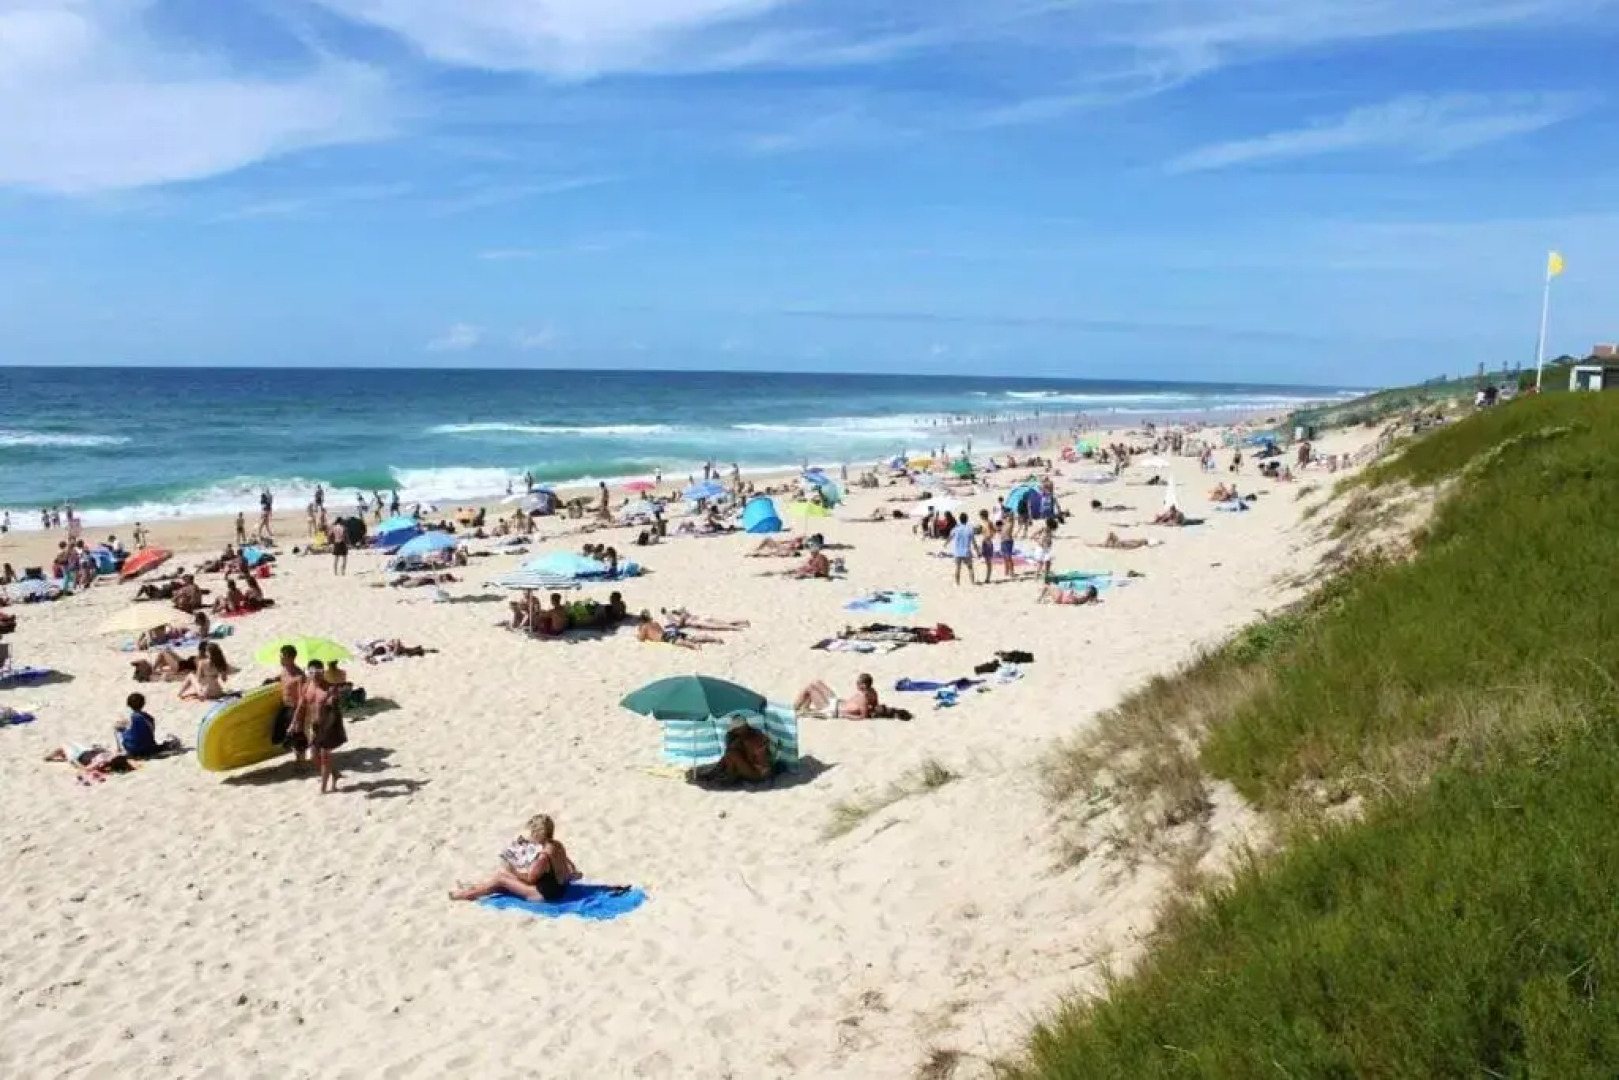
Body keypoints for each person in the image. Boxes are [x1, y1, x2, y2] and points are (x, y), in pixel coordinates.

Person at [450, 813, 581, 904]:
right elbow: (570, 865)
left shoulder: (543, 858)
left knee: (501, 879)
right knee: (501, 879)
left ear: (537, 834)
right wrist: (572, 874)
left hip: (544, 896)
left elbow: (529, 879)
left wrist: (513, 870)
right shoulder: (557, 845)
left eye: (532, 832)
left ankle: (466, 895)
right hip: (560, 889)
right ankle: (474, 888)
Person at [296, 660, 346, 794]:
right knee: (314, 756)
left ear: (323, 672)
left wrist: (333, 698)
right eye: (311, 672)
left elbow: (335, 705)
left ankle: (323, 789)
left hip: (327, 726)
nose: (315, 675)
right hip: (315, 726)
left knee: (325, 757)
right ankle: (334, 773)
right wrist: (295, 722)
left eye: (318, 672)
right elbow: (301, 704)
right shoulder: (307, 686)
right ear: (308, 672)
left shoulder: (329, 688)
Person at [794, 674, 883, 719]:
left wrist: (846, 715)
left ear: (864, 685)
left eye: (858, 683)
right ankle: (804, 708)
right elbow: (875, 705)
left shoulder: (863, 699)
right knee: (817, 682)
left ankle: (794, 708)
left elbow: (862, 717)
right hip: (837, 702)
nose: (856, 684)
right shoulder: (873, 692)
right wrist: (874, 710)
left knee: (810, 688)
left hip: (832, 709)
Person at [273, 645, 306, 761]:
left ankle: (301, 761)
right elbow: (281, 678)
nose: (280, 659)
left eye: (282, 657)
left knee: (297, 733)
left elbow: (302, 699)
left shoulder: (299, 676)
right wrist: (272, 679)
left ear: (290, 658)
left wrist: (295, 719)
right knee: (278, 735)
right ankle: (296, 754)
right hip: (285, 707)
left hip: (296, 708)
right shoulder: (284, 670)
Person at [115, 693, 165, 757]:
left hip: (132, 749)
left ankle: (121, 750)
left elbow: (119, 727)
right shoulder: (148, 717)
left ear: (128, 705)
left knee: (117, 730)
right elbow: (151, 730)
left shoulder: (128, 717)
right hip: (148, 748)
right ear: (143, 704)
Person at [948, 511, 978, 586]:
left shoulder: (955, 529)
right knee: (970, 568)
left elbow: (950, 537)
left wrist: (945, 544)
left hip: (957, 552)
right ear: (967, 519)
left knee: (958, 568)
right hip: (966, 552)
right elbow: (974, 542)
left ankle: (957, 583)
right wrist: (977, 551)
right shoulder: (970, 529)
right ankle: (972, 582)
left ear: (960, 520)